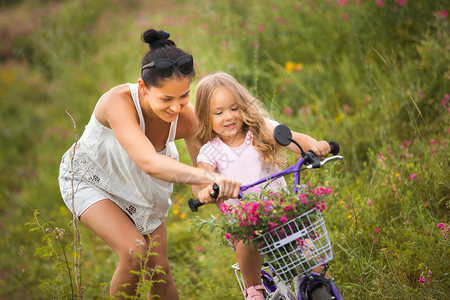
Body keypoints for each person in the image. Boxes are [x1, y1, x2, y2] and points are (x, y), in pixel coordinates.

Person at [57, 30, 240, 299]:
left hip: (142, 190)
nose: (176, 108)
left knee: (159, 272)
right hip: (90, 180)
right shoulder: (117, 102)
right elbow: (148, 162)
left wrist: (210, 189)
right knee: (134, 252)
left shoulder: (187, 119)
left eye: (184, 97)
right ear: (143, 87)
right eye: (166, 99)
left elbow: (202, 177)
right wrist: (206, 178)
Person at [192, 72, 331, 300]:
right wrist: (207, 190)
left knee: (309, 248)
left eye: (234, 108)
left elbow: (296, 141)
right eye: (218, 112)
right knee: (247, 239)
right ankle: (254, 289)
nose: (229, 117)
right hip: (245, 218)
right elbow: (202, 177)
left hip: (282, 211)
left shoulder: (260, 130)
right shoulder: (211, 151)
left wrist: (314, 146)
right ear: (205, 117)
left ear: (243, 107)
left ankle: (315, 282)